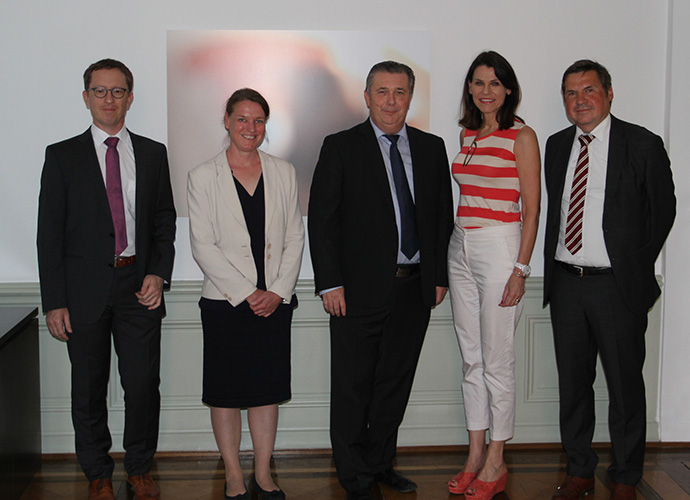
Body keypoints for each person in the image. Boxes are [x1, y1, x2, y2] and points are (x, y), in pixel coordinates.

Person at [308, 61, 453, 500]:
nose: (391, 101)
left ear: (411, 97)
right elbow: (323, 221)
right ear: (367, 96)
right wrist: (329, 282)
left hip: (414, 288)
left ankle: (380, 462)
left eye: (400, 92)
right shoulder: (340, 146)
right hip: (355, 291)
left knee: (395, 382)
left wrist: (439, 276)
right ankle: (354, 475)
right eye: (382, 92)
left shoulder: (431, 148)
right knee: (353, 386)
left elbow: (442, 218)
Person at [37, 58, 176, 500]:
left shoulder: (153, 154)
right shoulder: (61, 156)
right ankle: (97, 472)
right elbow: (49, 234)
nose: (109, 99)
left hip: (138, 286)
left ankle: (138, 468)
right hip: (82, 293)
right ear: (86, 97)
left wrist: (158, 273)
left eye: (118, 91)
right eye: (100, 91)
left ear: (130, 98)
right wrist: (55, 301)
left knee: (141, 386)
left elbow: (163, 222)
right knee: (89, 388)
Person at [543, 60, 675, 500]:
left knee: (624, 386)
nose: (579, 100)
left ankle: (624, 476)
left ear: (609, 92)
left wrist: (633, 266)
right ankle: (579, 468)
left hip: (617, 287)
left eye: (588, 90)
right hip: (566, 284)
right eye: (570, 93)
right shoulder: (557, 145)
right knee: (573, 386)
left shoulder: (642, 144)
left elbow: (663, 212)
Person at [187, 88, 304, 500]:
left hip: (275, 302)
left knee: (266, 392)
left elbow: (294, 236)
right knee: (225, 393)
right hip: (225, 303)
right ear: (226, 120)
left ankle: (263, 473)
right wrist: (247, 292)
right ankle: (234, 474)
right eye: (242, 119)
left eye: (258, 120)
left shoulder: (284, 171)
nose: (250, 128)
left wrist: (275, 292)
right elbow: (202, 245)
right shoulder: (202, 176)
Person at [445, 51, 541, 500]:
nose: (487, 91)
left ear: (508, 89)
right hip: (459, 245)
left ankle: (497, 461)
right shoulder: (465, 134)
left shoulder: (521, 136)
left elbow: (533, 208)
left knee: (497, 361)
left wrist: (520, 270)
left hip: (500, 246)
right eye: (479, 83)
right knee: (472, 359)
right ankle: (474, 454)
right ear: (470, 88)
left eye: (495, 84)